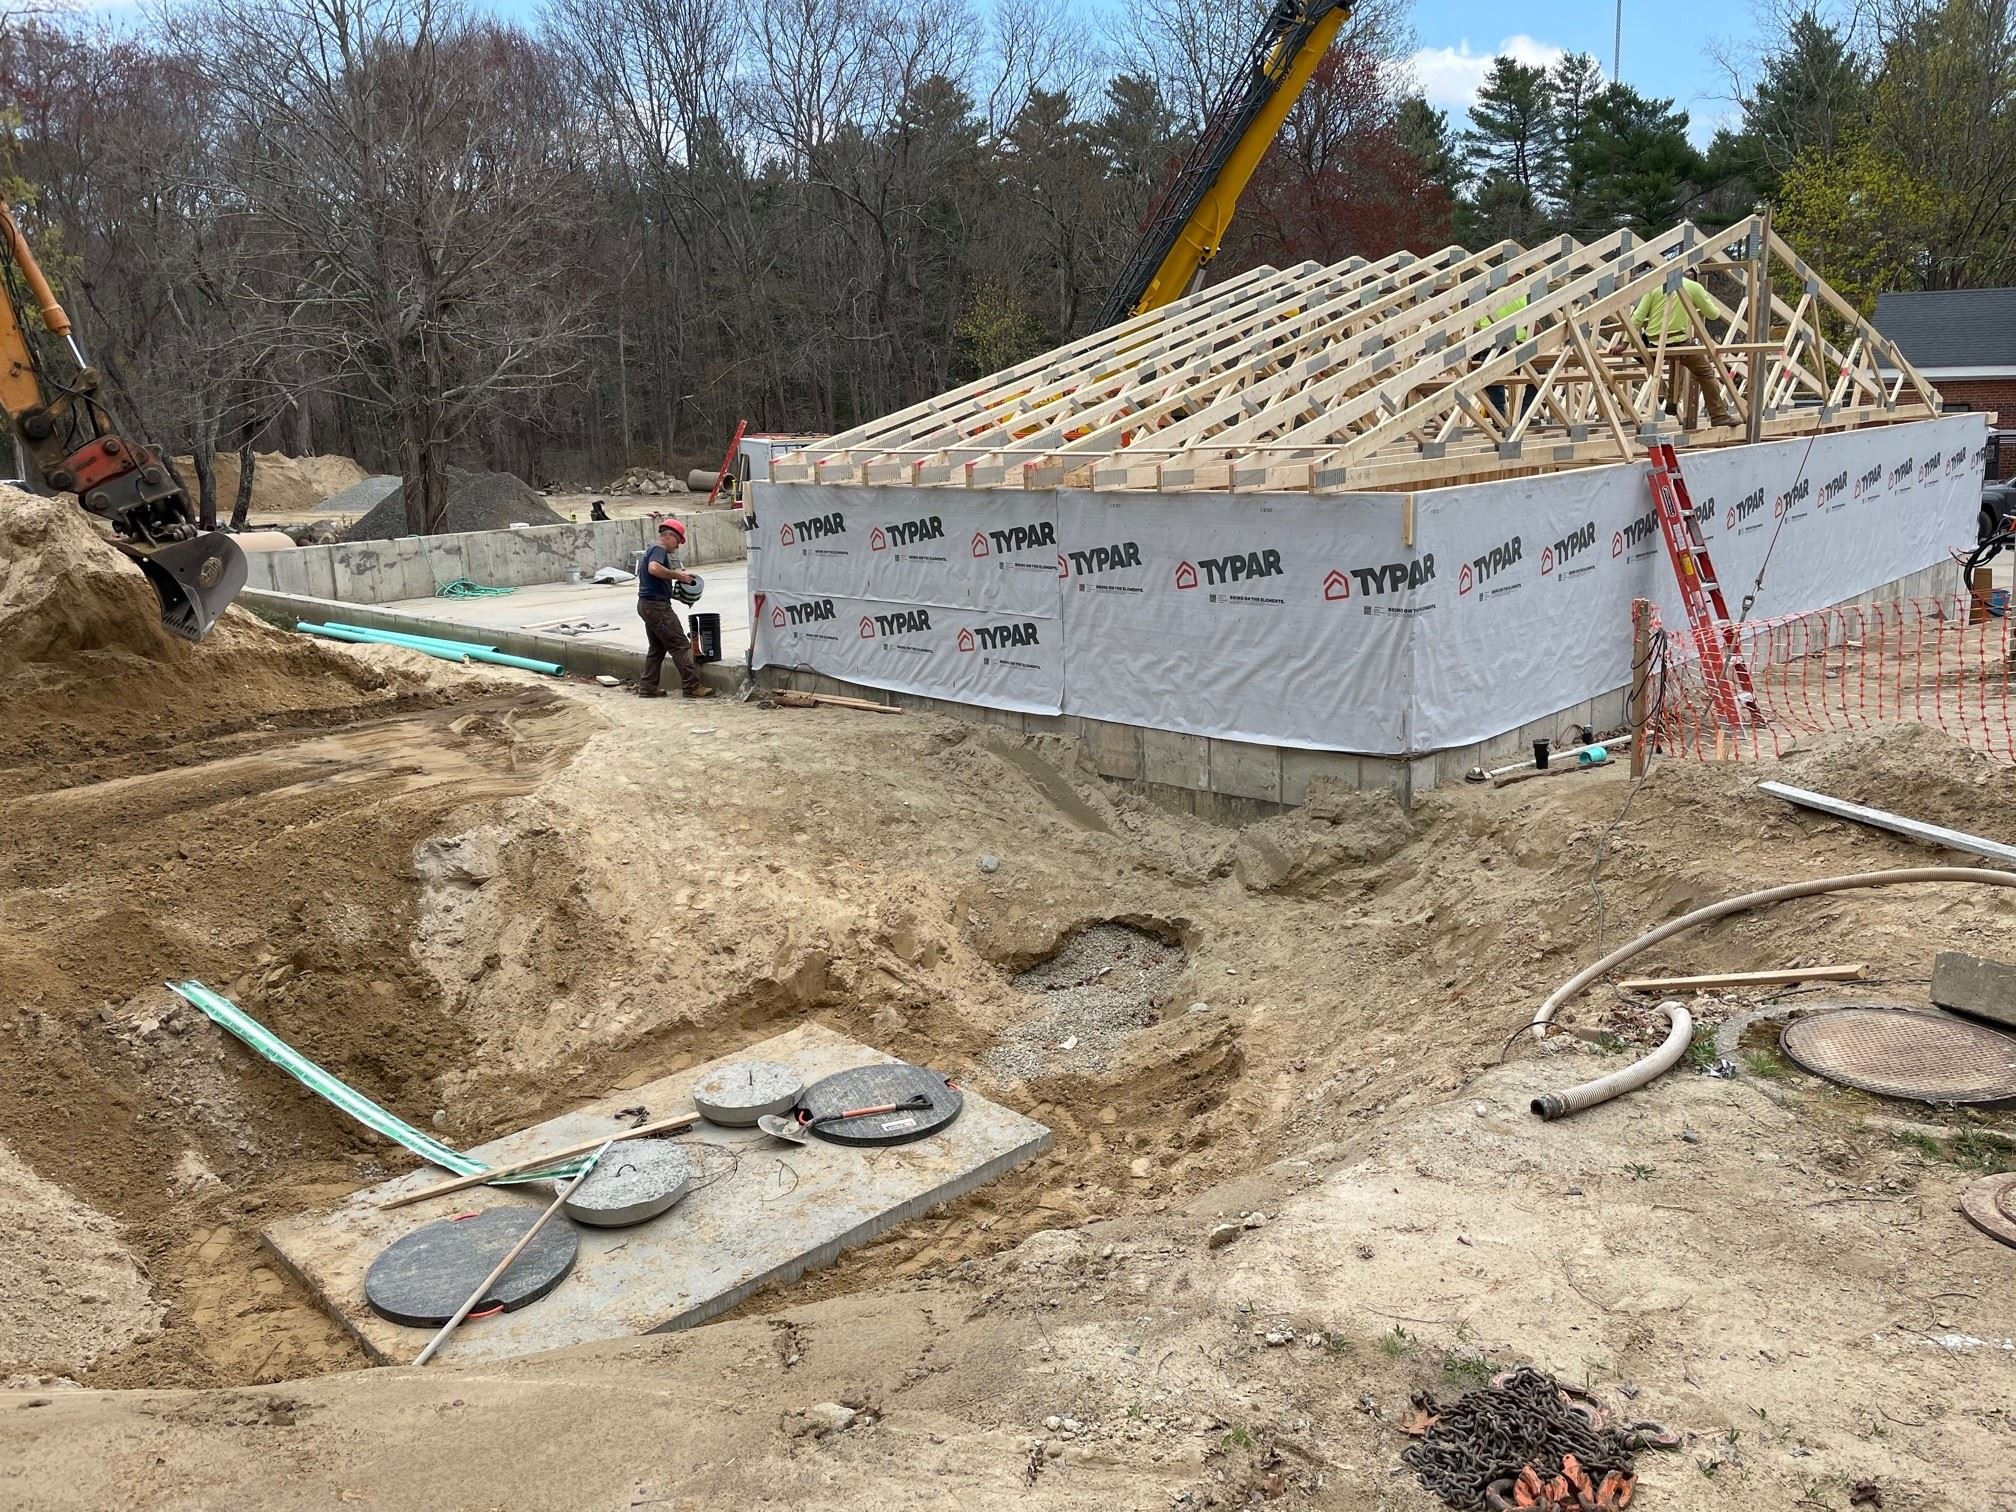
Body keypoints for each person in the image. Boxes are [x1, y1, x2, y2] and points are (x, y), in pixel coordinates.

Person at [1632, 275, 1740, 427]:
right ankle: (1719, 416)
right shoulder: (1692, 286)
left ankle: (1672, 399)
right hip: (1678, 342)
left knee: (1678, 359)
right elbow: (1713, 314)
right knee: (1704, 372)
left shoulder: (1655, 286)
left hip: (1654, 345)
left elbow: (1636, 317)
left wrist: (1625, 342)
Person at [637, 518, 713, 699]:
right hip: (657, 608)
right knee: (680, 645)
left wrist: (681, 596)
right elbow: (654, 569)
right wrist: (678, 575)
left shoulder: (651, 550)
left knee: (657, 649)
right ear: (670, 536)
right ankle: (692, 687)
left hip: (647, 605)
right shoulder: (658, 549)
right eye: (678, 542)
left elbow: (655, 584)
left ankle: (648, 687)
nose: (677, 547)